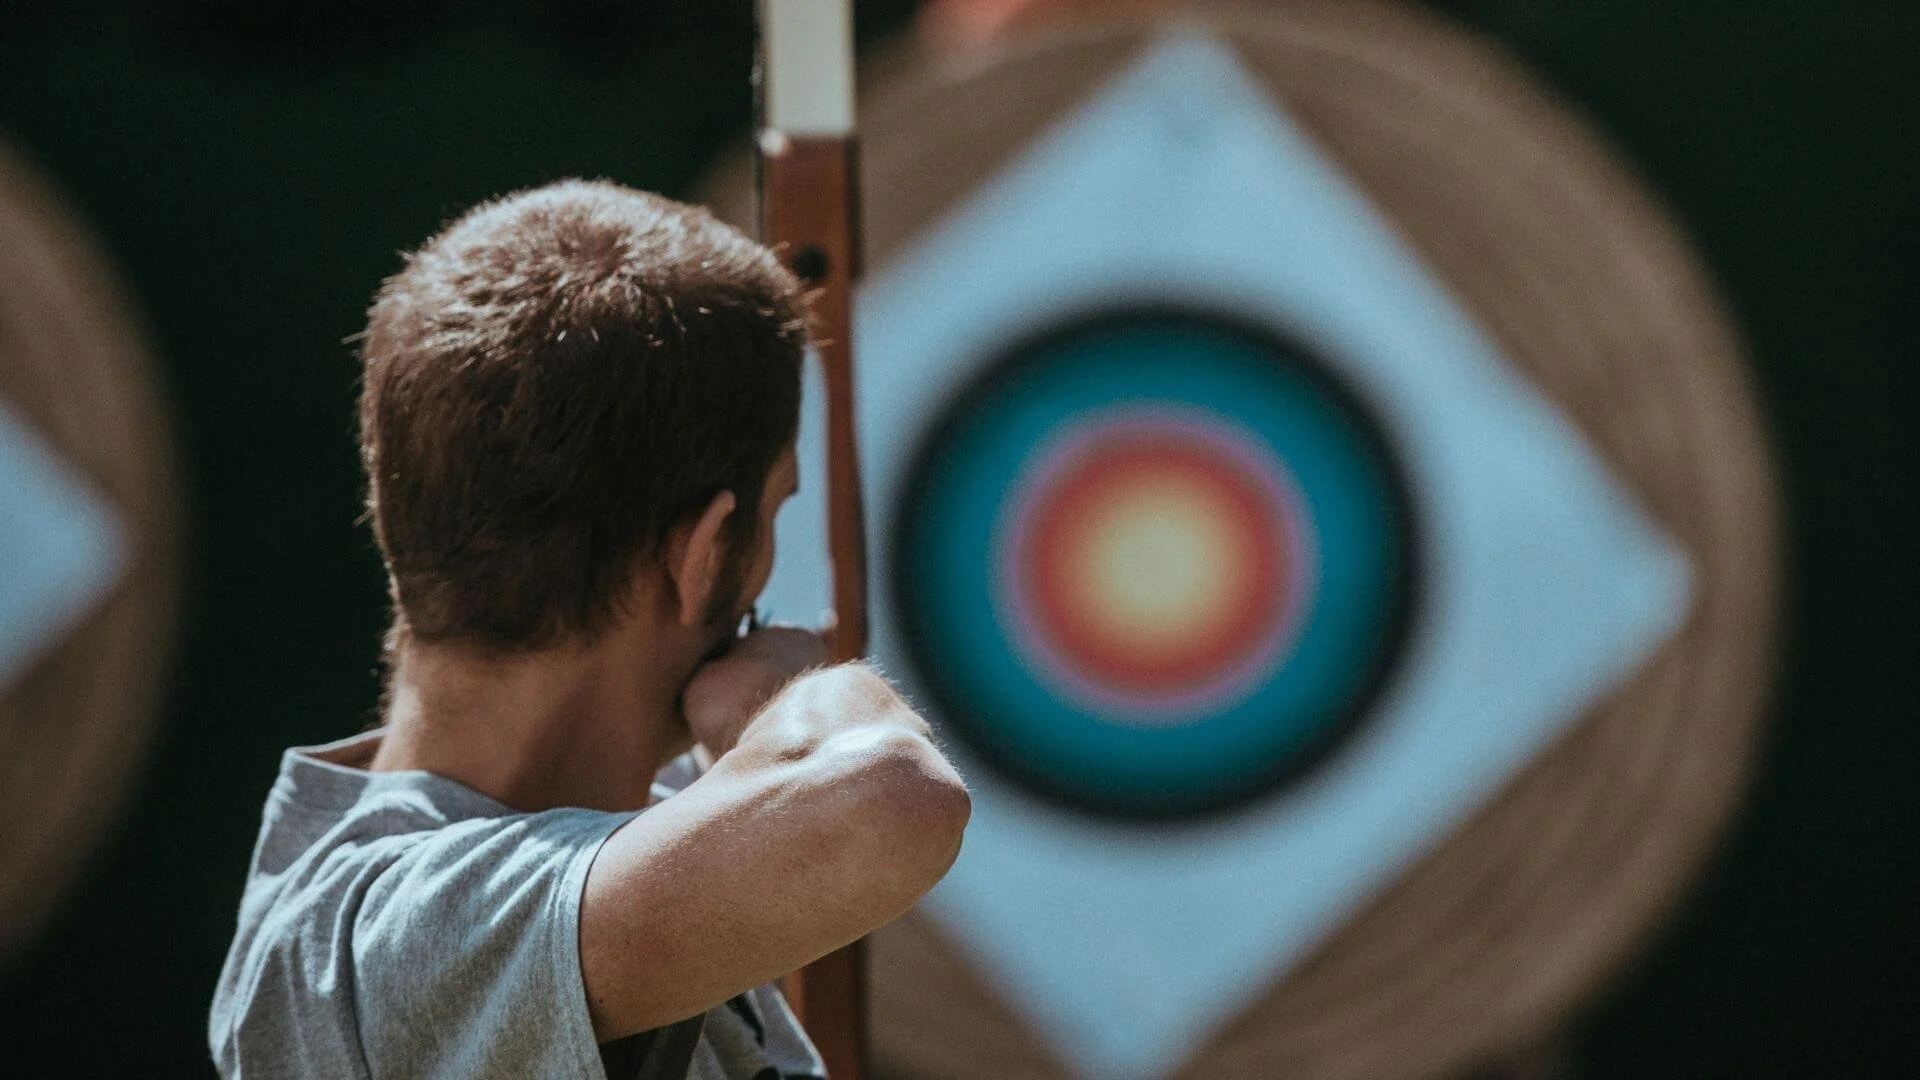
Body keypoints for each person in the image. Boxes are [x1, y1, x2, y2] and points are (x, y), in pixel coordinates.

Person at [209, 180, 972, 1079]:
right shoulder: (385, 941)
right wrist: (784, 695)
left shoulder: (632, 823)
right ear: (702, 556)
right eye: (773, 513)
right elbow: (889, 801)